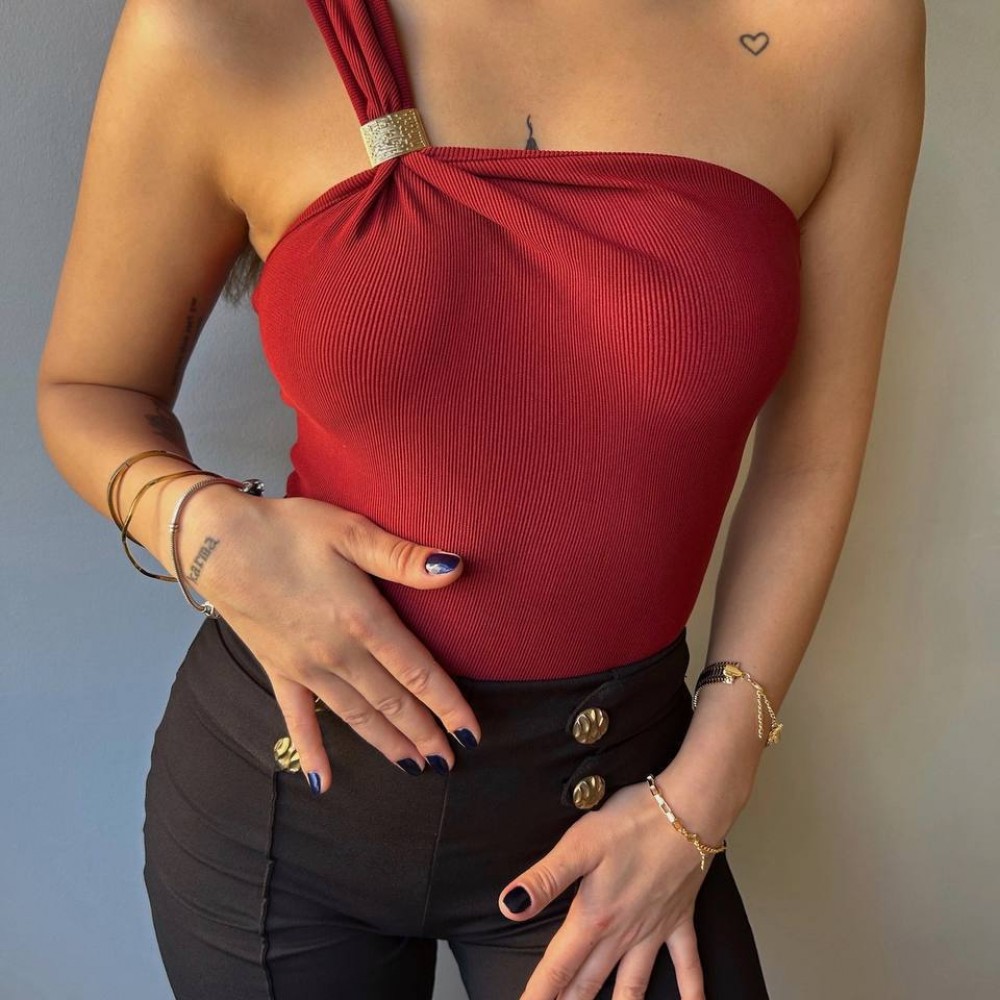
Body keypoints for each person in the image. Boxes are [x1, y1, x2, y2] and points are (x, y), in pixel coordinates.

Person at [36, 0, 926, 997]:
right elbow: (90, 390)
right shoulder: (220, 24)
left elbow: (811, 452)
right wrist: (205, 531)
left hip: (622, 807)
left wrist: (708, 792)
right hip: (280, 802)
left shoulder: (836, 27)